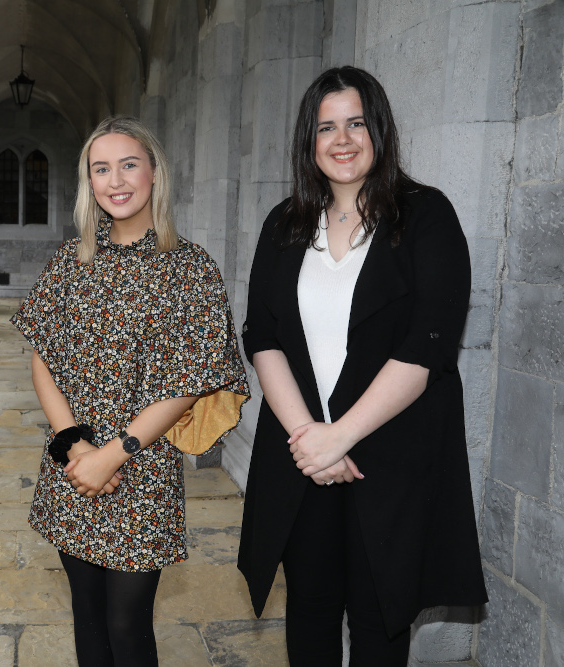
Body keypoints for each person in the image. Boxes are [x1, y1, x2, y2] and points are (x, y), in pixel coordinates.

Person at [236, 66, 487, 665]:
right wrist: (309, 441)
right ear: (309, 140)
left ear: (378, 129)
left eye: (355, 123)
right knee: (312, 609)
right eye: (326, 127)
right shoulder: (285, 223)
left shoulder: (426, 217)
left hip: (391, 456)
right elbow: (262, 335)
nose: (342, 140)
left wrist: (339, 438)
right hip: (305, 461)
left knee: (380, 622)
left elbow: (428, 344)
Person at [11, 116, 249, 667]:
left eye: (128, 164)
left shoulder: (189, 268)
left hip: (142, 467)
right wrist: (76, 448)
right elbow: (42, 358)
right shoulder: (72, 261)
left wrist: (111, 456)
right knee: (88, 617)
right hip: (73, 463)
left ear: (154, 173)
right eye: (101, 168)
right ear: (88, 182)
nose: (115, 180)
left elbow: (186, 384)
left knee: (127, 624)